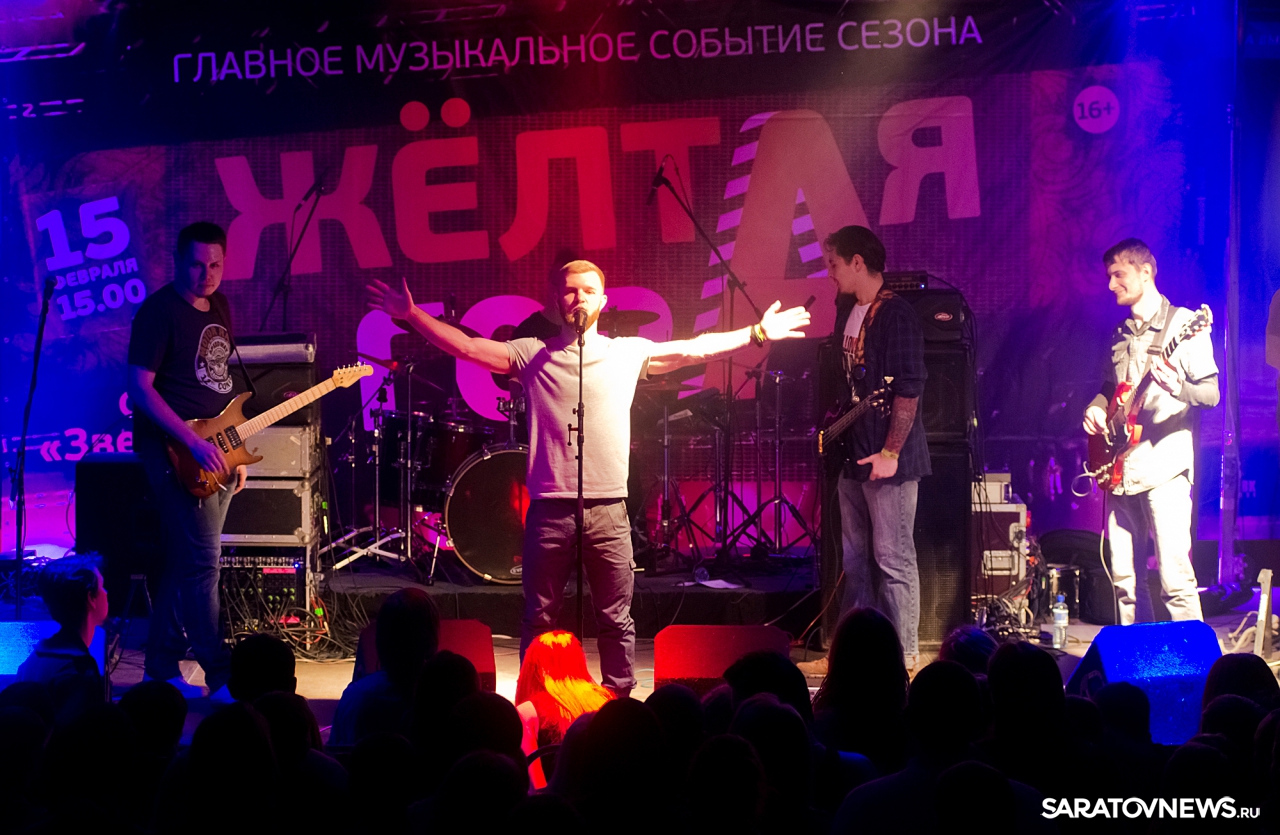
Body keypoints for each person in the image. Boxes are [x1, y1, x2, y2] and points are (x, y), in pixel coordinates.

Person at [367, 260, 810, 696]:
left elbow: (694, 349)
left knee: (615, 618)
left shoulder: (625, 352)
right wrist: (412, 315)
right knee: (539, 617)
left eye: (588, 291)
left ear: (603, 301)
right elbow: (468, 347)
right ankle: (536, 700)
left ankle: (618, 703)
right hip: (549, 510)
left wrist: (756, 333)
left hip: (609, 509)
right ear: (555, 300)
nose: (578, 298)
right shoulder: (531, 353)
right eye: (570, 290)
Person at [128, 221, 246, 699]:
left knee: (186, 562)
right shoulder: (158, 313)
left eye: (215, 265)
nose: (206, 274)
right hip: (172, 451)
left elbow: (220, 385)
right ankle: (219, 673)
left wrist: (235, 451)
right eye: (197, 264)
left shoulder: (220, 306)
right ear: (178, 261)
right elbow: (139, 389)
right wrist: (190, 442)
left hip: (217, 450)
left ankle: (159, 665)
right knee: (203, 564)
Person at [804, 225, 928, 675]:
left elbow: (908, 390)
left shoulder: (897, 315)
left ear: (858, 262)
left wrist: (890, 453)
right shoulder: (847, 310)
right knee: (855, 561)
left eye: (834, 263)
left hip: (888, 459)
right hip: (852, 455)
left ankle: (905, 658)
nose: (830, 273)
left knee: (893, 558)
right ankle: (849, 658)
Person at [1083, 238, 1219, 624]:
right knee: (1125, 582)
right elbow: (1110, 388)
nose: (1111, 284)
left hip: (1165, 470)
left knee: (1175, 581)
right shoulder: (1120, 333)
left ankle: (1195, 660)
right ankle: (1135, 658)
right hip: (1121, 470)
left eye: (1118, 274)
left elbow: (1211, 394)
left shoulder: (1184, 324)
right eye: (1109, 276)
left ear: (1145, 272)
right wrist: (1095, 408)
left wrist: (1178, 386)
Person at [18, 554, 109, 723]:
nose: (106, 593)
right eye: (102, 587)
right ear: (91, 599)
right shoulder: (78, 672)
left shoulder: (35, 658)